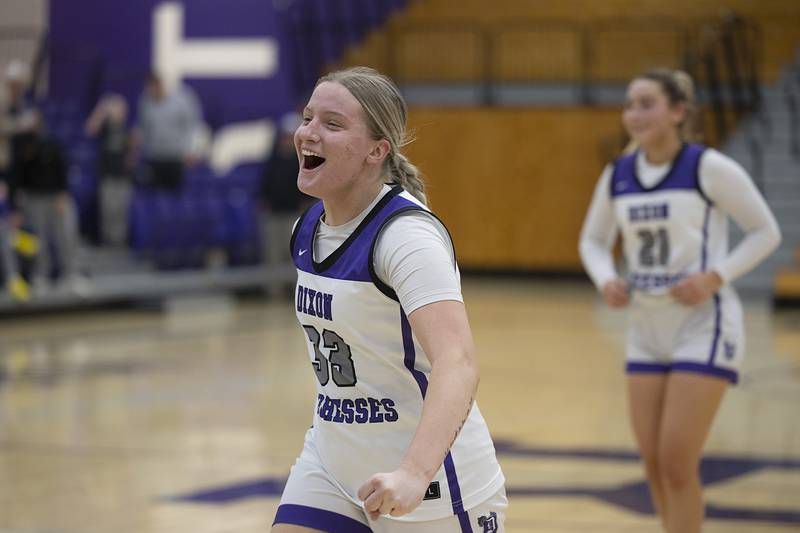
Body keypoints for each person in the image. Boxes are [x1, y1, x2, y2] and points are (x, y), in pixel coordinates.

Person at [273, 67, 507, 532]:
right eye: (308, 118)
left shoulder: (405, 237)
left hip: (428, 482)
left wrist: (414, 473)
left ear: (376, 151)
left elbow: (457, 361)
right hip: (332, 464)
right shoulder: (307, 229)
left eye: (332, 124)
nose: (308, 134)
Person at [579, 68, 781, 533]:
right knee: (652, 463)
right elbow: (592, 241)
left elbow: (765, 231)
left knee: (675, 460)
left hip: (702, 324)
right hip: (646, 329)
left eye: (646, 103)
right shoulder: (619, 173)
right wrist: (607, 277)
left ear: (678, 111)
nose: (634, 113)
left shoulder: (706, 166)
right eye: (629, 104)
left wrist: (715, 276)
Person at [12, 109, 85, 295]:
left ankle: (71, 275)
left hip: (56, 197)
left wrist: (63, 192)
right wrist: (17, 204)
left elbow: (63, 167)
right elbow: (16, 175)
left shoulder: (51, 142)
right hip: (33, 199)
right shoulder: (20, 144)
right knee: (38, 240)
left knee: (66, 235)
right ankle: (40, 276)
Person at [260, 112, 311, 296]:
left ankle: (295, 291)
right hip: (274, 213)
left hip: (293, 213)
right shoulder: (273, 158)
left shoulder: (303, 161)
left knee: (294, 253)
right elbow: (265, 183)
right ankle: (274, 291)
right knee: (273, 254)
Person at [132, 73, 203, 191]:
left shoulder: (182, 100)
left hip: (177, 158)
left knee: (175, 196)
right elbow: (143, 128)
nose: (150, 92)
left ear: (160, 85)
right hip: (154, 158)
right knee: (154, 195)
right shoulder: (145, 102)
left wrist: (192, 150)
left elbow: (193, 126)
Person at [85, 93, 132, 246]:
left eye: (121, 109)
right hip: (107, 175)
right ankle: (108, 241)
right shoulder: (105, 129)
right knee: (108, 211)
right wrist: (102, 110)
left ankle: (120, 241)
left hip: (123, 176)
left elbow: (131, 152)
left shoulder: (126, 129)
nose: (119, 113)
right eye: (116, 109)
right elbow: (90, 129)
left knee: (121, 211)